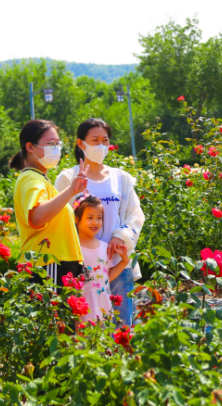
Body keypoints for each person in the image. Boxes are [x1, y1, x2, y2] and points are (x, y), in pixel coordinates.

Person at [55, 118, 145, 326]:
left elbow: (135, 214)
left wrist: (119, 235)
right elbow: (60, 219)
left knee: (122, 328)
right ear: (81, 144)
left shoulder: (121, 178)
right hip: (83, 268)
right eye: (94, 140)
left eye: (104, 140)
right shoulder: (68, 178)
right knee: (86, 328)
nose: (100, 145)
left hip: (117, 264)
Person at [10, 119, 88, 287]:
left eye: (57, 144)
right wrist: (71, 190)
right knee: (54, 313)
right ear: (30, 147)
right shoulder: (32, 179)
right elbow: (37, 217)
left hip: (54, 262)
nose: (56, 149)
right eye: (51, 143)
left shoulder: (39, 178)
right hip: (48, 263)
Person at [73, 194, 130, 321]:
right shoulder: (73, 249)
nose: (95, 222)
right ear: (76, 219)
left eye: (99, 218)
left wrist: (124, 260)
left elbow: (106, 277)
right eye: (90, 217)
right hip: (81, 316)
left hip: (104, 313)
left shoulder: (104, 248)